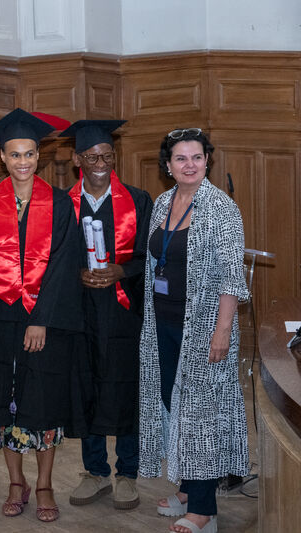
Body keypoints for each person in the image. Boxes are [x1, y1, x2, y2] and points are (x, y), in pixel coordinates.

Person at [0, 108, 90, 522]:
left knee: (42, 401)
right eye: (15, 155)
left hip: (43, 321)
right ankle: (16, 482)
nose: (23, 161)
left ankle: (44, 485)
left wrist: (41, 318)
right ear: (3, 158)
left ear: (38, 155)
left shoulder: (60, 204)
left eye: (29, 154)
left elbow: (65, 267)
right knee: (2, 399)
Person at [139, 128, 249, 533]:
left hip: (204, 328)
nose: (190, 165)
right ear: (167, 166)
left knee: (201, 415)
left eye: (197, 157)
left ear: (207, 161)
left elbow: (231, 280)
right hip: (163, 324)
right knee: (174, 405)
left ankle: (202, 510)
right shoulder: (165, 202)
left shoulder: (221, 209)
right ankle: (187, 487)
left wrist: (222, 331)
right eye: (181, 158)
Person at [59, 120, 153, 510]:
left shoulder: (138, 200)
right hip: (79, 312)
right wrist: (76, 273)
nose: (101, 163)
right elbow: (50, 260)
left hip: (121, 313)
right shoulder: (63, 204)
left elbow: (151, 257)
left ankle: (127, 473)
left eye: (107, 156)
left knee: (124, 387)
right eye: (92, 157)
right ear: (77, 159)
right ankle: (95, 471)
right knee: (85, 388)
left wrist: (121, 271)